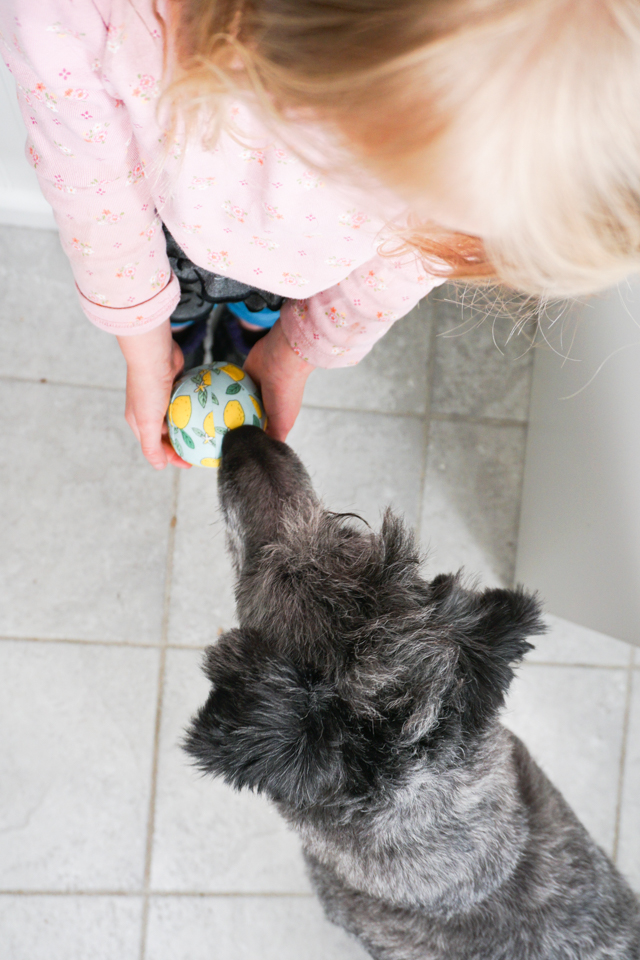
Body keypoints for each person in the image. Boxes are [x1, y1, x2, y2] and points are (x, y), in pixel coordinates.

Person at [3, 0, 639, 469]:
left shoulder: (471, 148)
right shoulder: (81, 14)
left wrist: (297, 347)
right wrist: (144, 340)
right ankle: (189, 328)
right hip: (161, 233)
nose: (432, 232)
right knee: (178, 311)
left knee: (258, 316)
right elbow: (95, 184)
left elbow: (405, 260)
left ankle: (244, 330)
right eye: (406, 198)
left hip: (302, 275)